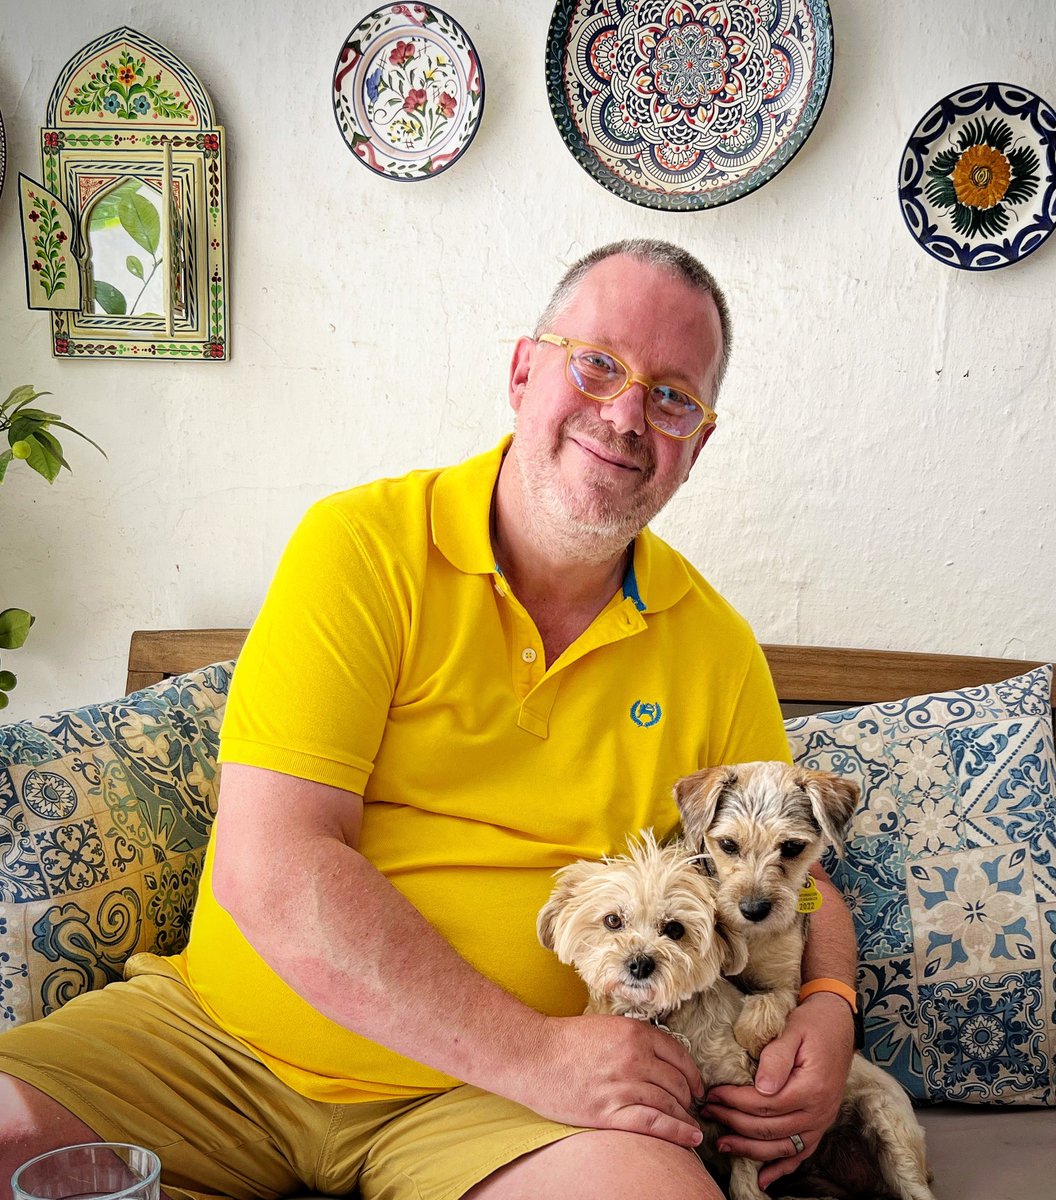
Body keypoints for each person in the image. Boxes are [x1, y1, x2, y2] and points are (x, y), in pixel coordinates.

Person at [0, 240, 858, 1200]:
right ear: (524, 371)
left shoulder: (716, 647)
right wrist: (533, 1052)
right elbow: (272, 869)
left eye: (671, 397)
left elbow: (792, 872)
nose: (625, 415)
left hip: (518, 1120)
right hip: (218, 1053)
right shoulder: (359, 548)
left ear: (697, 444)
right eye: (598, 364)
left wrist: (829, 1010)